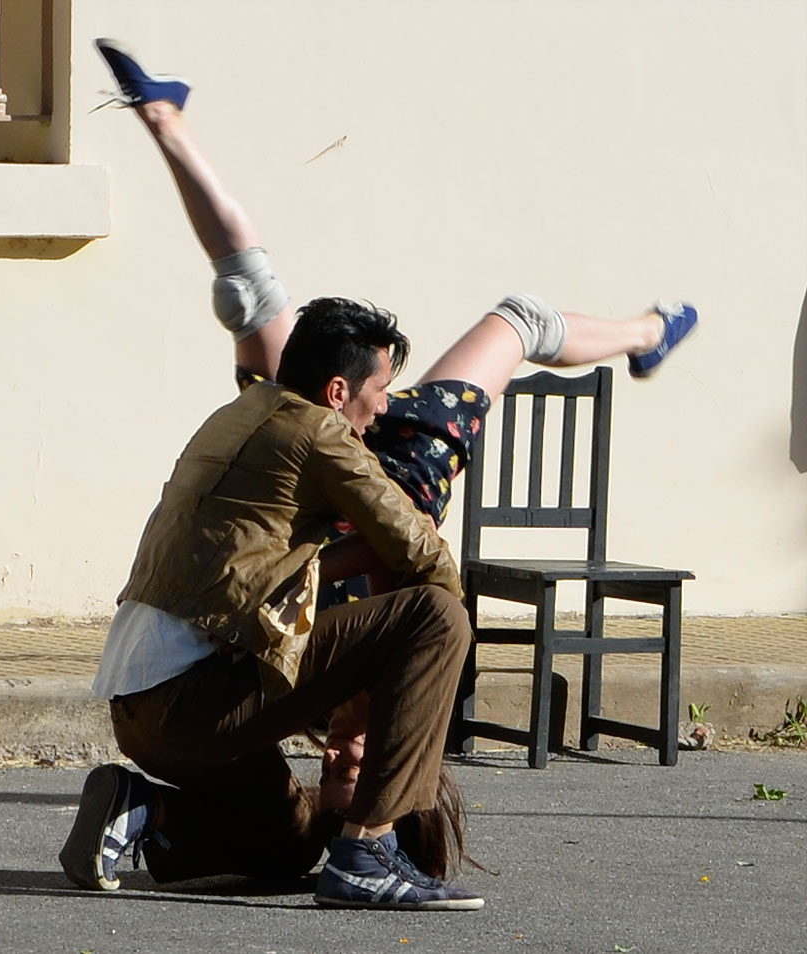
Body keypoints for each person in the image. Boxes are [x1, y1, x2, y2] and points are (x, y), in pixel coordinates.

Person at [59, 40, 698, 910]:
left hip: (209, 648)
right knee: (513, 330)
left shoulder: (269, 421)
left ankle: (151, 815)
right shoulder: (355, 438)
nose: (342, 758)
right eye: (357, 767)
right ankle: (647, 333)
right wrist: (437, 606)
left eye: (346, 774)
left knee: (252, 287)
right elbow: (417, 561)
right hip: (383, 485)